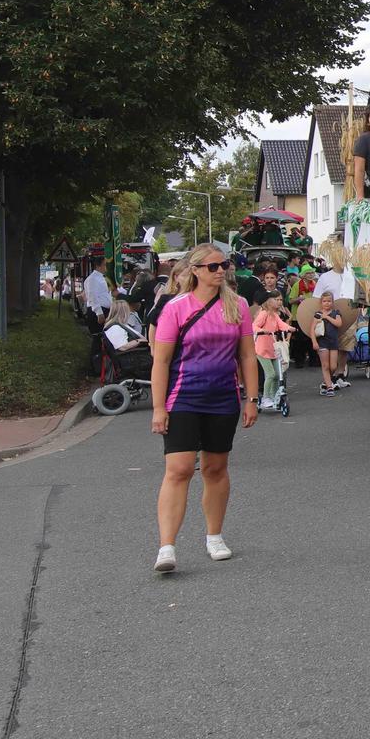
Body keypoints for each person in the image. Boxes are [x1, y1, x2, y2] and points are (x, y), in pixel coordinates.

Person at [149, 244, 259, 573]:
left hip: (222, 397)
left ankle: (215, 536)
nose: (220, 271)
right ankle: (166, 547)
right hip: (183, 397)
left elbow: (247, 356)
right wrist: (158, 407)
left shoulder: (237, 305)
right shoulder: (175, 308)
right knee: (179, 469)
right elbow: (161, 360)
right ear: (195, 270)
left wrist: (251, 398)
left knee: (214, 469)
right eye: (212, 267)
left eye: (223, 265)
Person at [253, 292, 291, 413]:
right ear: (269, 301)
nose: (279, 302)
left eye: (280, 300)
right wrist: (262, 330)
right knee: (271, 374)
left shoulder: (275, 315)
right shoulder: (264, 313)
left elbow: (281, 325)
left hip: (273, 348)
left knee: (278, 374)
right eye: (276, 300)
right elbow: (254, 326)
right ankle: (266, 397)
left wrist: (290, 328)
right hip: (262, 350)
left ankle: (275, 396)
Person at [314, 291, 347, 395]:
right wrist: (314, 342)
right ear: (321, 302)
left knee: (333, 366)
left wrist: (327, 317)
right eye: (324, 301)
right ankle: (329, 387)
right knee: (325, 365)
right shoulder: (318, 314)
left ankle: (326, 381)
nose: (327, 303)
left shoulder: (336, 313)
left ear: (332, 302)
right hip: (322, 342)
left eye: (329, 301)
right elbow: (312, 329)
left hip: (333, 342)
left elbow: (339, 323)